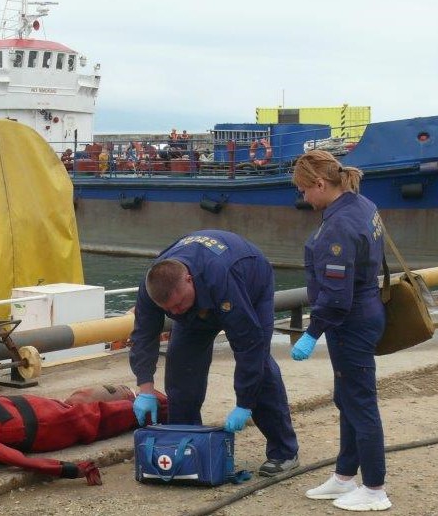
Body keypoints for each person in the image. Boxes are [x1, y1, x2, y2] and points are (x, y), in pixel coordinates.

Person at [129, 230, 300, 477]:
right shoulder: (151, 289)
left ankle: (283, 451)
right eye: (169, 310)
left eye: (178, 304)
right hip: (201, 302)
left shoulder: (223, 276)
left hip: (249, 288)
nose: (175, 311)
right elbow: (143, 336)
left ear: (188, 279)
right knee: (180, 373)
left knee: (259, 365)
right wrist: (144, 388)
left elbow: (247, 346)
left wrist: (244, 403)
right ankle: (186, 447)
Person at [290, 150, 391, 511]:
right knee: (347, 397)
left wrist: (311, 332)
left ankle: (375, 488)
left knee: (360, 403)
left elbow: (335, 295)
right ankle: (345, 475)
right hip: (364, 313)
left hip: (350, 322)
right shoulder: (361, 204)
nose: (303, 197)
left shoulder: (338, 225)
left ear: (320, 184)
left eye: (304, 189)